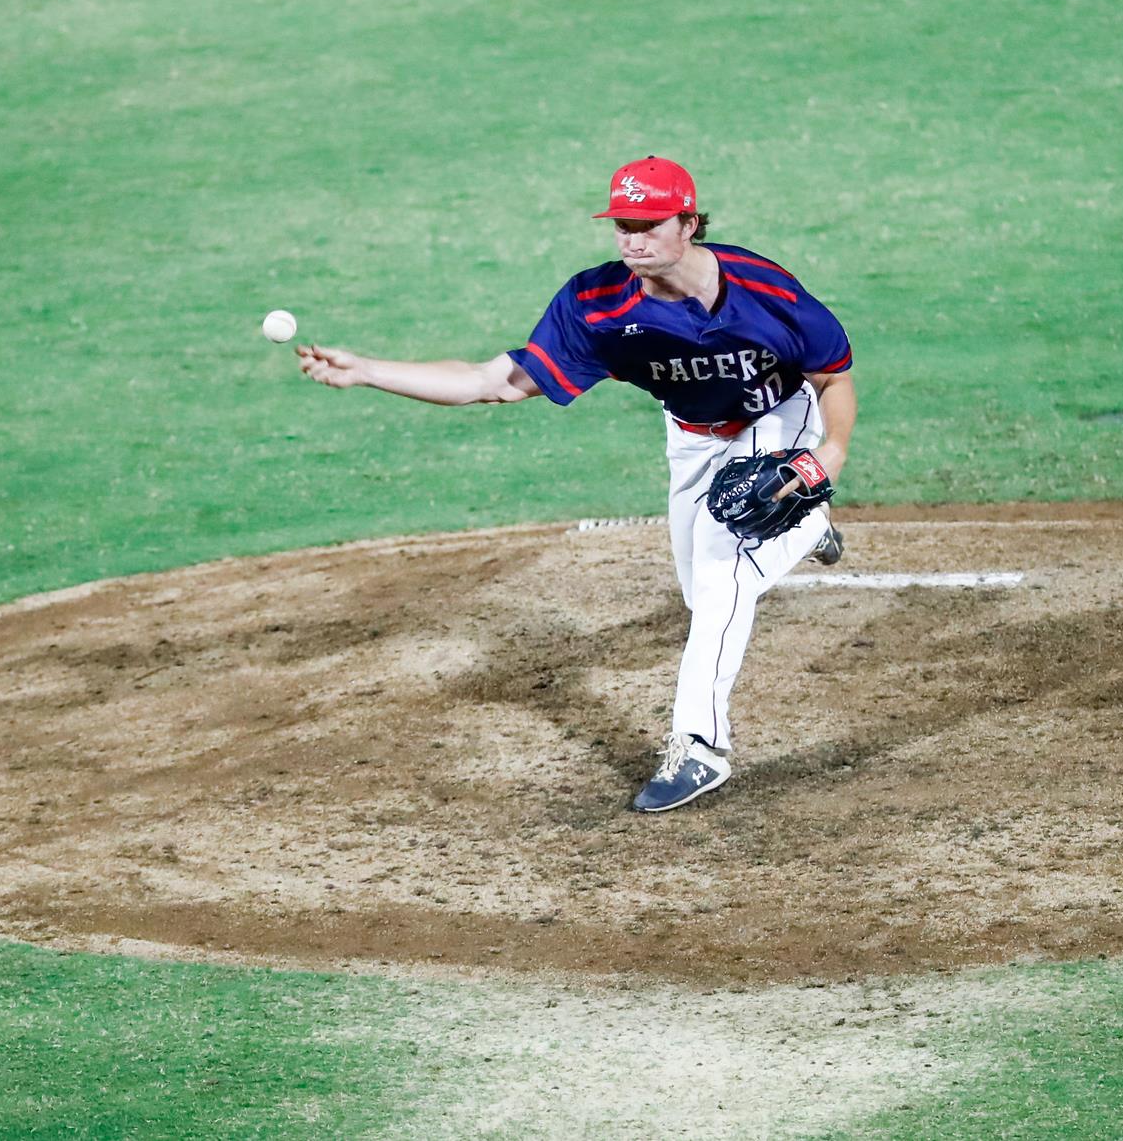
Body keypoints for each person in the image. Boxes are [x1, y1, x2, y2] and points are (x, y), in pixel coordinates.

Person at [297, 156, 857, 812]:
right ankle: (807, 522)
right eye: (623, 223)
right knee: (700, 590)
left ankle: (699, 744)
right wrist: (369, 370)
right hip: (691, 436)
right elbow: (494, 383)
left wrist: (829, 453)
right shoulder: (596, 305)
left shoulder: (763, 287)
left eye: (649, 223)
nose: (633, 238)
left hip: (776, 416)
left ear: (690, 222)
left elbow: (831, 375)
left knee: (722, 577)